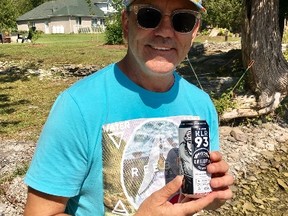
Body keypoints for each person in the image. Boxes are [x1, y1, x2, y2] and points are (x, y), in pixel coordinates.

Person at [24, 0, 234, 215]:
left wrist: (212, 196)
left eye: (183, 20)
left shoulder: (201, 105)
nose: (165, 32)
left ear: (195, 30)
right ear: (126, 23)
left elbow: (198, 196)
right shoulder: (78, 106)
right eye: (149, 16)